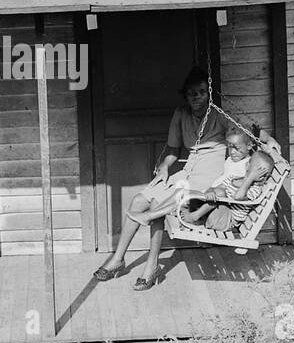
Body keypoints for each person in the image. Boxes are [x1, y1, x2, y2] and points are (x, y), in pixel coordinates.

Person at [93, 66, 227, 290]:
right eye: (191, 93)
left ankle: (151, 266)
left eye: (201, 92)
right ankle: (117, 259)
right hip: (187, 173)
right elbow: (173, 150)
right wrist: (164, 167)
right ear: (185, 95)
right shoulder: (181, 114)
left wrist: (268, 141)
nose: (196, 97)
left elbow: (245, 132)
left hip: (206, 179)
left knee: (157, 204)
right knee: (138, 200)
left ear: (209, 93)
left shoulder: (219, 115)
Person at [184, 129, 275, 232]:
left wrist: (250, 178)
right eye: (258, 172)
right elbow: (218, 187)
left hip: (227, 220)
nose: (262, 177)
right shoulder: (234, 178)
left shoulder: (255, 190)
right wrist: (210, 191)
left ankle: (195, 216)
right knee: (207, 193)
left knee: (220, 193)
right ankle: (191, 212)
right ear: (247, 166)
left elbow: (238, 197)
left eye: (265, 175)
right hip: (218, 211)